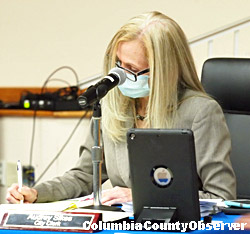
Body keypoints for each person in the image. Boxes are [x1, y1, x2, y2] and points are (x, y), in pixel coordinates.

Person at [6, 11, 236, 205]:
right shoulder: (111, 104)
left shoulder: (200, 112)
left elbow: (221, 197)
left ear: (163, 71)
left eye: (132, 68)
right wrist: (37, 194)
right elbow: (85, 176)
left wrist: (142, 198)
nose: (121, 76)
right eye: (119, 64)